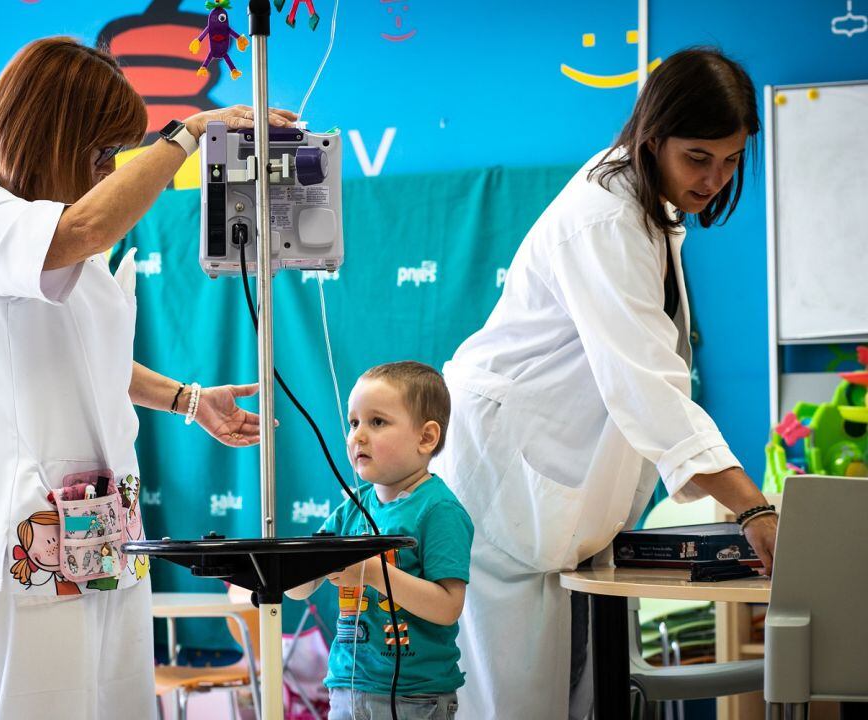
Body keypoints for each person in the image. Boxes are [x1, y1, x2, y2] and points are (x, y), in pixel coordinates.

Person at [0, 36, 296, 718]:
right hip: (28, 529)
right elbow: (89, 229)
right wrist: (187, 135)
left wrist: (187, 399)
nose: (105, 171)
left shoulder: (44, 222)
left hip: (104, 525)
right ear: (51, 135)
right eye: (100, 154)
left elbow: (86, 357)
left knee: (122, 706)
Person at [430, 48, 780, 720]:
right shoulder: (606, 217)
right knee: (511, 702)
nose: (716, 177)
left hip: (551, 491)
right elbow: (645, 385)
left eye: (732, 159)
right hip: (505, 481)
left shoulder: (646, 206)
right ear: (654, 140)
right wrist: (751, 508)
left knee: (569, 690)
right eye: (699, 157)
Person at [288, 361, 474, 720]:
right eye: (354, 422)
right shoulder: (351, 508)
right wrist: (286, 570)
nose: (357, 436)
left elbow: (448, 605)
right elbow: (300, 587)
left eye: (377, 422)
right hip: (346, 687)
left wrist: (373, 573)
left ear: (426, 438)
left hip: (415, 698)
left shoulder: (439, 510)